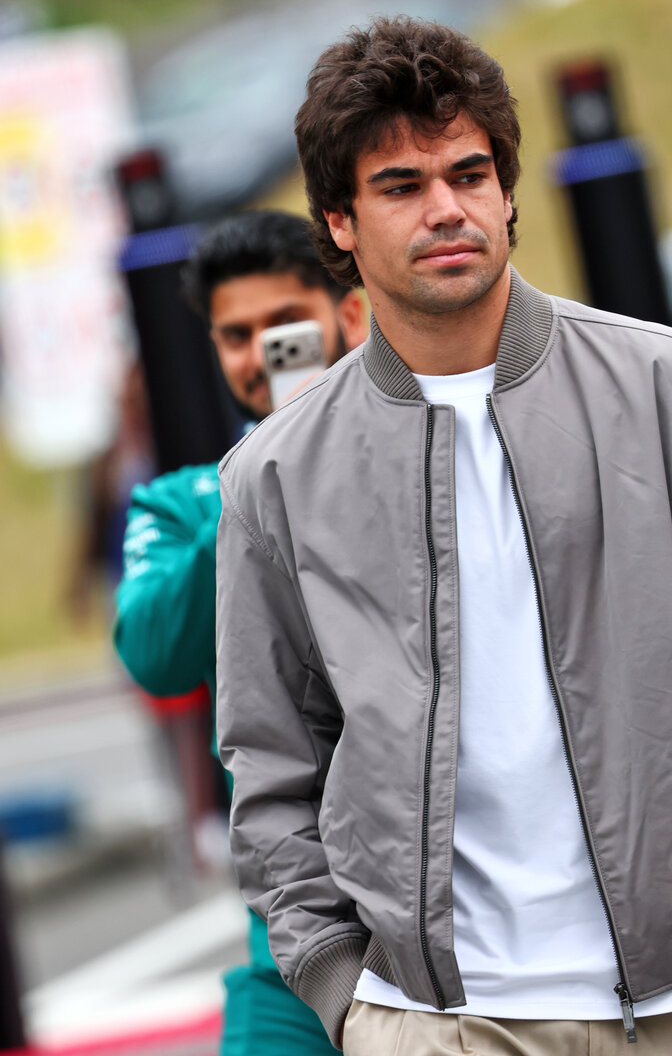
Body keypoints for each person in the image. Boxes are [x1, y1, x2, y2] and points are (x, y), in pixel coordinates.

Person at [215, 18, 672, 1056]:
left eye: (468, 174)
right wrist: (344, 990)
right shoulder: (276, 474)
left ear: (506, 192)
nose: (445, 208)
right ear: (339, 222)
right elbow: (271, 760)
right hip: (435, 1021)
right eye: (400, 186)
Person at [113, 210, 365, 1056]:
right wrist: (259, 478)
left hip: (466, 924)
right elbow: (153, 655)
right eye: (234, 335)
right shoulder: (186, 502)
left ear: (349, 314)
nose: (261, 353)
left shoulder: (425, 459)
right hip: (290, 941)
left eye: (285, 325)